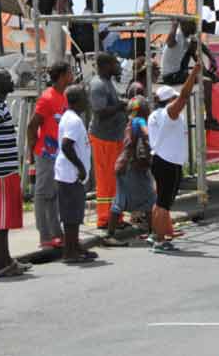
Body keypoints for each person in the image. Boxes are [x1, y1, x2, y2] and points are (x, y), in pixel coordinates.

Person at [0, 67, 32, 278]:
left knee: (6, 217)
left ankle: (5, 260)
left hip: (5, 170)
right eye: (7, 78)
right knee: (2, 219)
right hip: (0, 171)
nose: (12, 80)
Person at [149, 60, 202, 253]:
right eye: (174, 99)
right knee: (163, 204)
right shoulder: (167, 114)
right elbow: (185, 96)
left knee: (161, 203)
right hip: (167, 162)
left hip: (163, 160)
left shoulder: (156, 115)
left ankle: (158, 236)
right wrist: (194, 73)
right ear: (168, 101)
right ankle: (160, 241)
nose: (178, 102)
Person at [26, 61, 73, 250]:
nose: (72, 76)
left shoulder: (66, 96)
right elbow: (32, 126)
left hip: (59, 154)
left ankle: (55, 232)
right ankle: (44, 235)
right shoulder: (47, 98)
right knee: (43, 194)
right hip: (46, 153)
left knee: (54, 195)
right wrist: (32, 152)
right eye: (69, 73)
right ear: (62, 76)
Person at [103, 96, 156, 247]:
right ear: (142, 110)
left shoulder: (130, 121)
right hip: (132, 167)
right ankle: (153, 234)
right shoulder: (139, 121)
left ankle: (110, 236)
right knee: (150, 198)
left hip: (125, 165)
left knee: (120, 201)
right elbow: (147, 135)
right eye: (147, 107)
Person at [54, 85, 98, 263]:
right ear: (77, 101)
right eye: (85, 98)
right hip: (70, 174)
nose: (88, 101)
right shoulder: (73, 120)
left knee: (75, 214)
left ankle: (75, 246)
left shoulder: (72, 118)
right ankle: (70, 252)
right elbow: (66, 145)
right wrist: (80, 167)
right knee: (71, 216)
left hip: (71, 175)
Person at [161, 20, 219, 131]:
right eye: (192, 25)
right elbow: (170, 42)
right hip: (171, 76)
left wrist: (211, 57)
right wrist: (174, 26)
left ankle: (209, 75)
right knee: (206, 82)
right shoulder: (178, 35)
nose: (195, 28)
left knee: (193, 49)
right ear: (184, 25)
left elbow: (199, 44)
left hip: (178, 71)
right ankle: (209, 119)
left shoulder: (185, 37)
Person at [89, 53, 128, 229]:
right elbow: (100, 112)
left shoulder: (107, 82)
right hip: (104, 138)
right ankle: (105, 219)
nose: (118, 66)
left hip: (114, 137)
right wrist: (120, 106)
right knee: (106, 180)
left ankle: (116, 216)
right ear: (106, 65)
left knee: (115, 180)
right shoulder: (98, 84)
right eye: (115, 63)